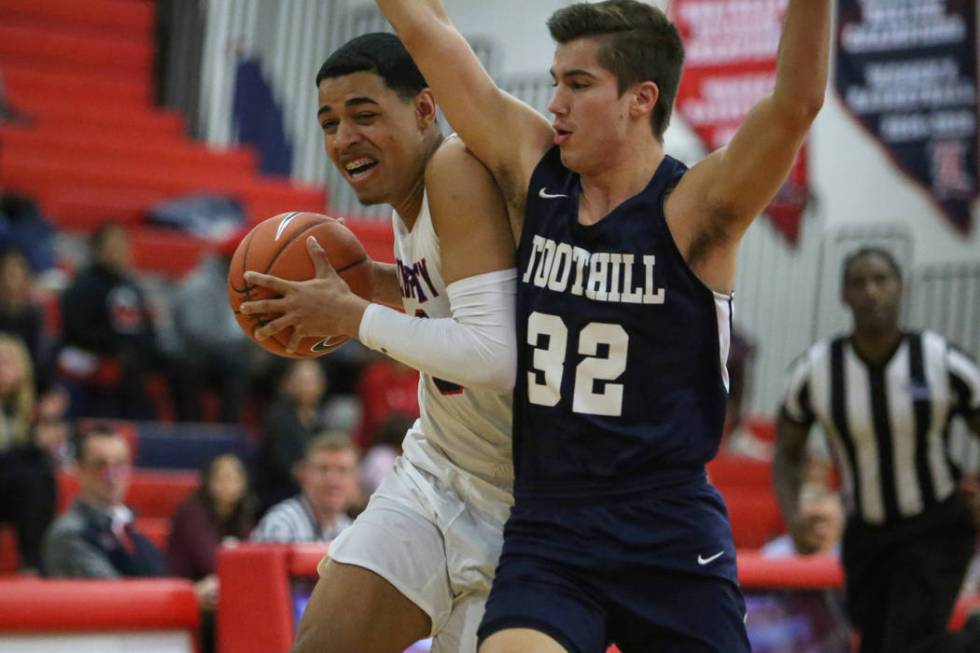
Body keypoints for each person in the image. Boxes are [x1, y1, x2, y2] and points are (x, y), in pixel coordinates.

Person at [374, 0, 828, 650]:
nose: (554, 101)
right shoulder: (537, 173)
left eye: (578, 84)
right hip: (551, 524)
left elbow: (795, 104)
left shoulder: (695, 208)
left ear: (641, 98)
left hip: (668, 528)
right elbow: (429, 30)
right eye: (556, 79)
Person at [239, 33, 517, 653]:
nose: (343, 139)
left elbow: (495, 356)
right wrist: (369, 281)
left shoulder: (452, 169)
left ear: (424, 109)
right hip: (438, 471)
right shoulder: (408, 191)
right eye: (330, 122)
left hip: (521, 505)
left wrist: (351, 314)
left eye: (365, 115)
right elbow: (446, 293)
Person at [773, 247, 980, 653]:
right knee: (876, 643)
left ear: (900, 289)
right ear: (844, 296)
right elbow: (787, 452)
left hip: (935, 524)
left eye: (881, 280)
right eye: (859, 282)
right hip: (865, 533)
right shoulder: (816, 371)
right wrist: (792, 513)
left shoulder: (940, 360)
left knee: (909, 641)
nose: (871, 291)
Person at [56, 224, 165, 419]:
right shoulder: (83, 286)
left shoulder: (132, 285)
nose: (120, 250)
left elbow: (146, 325)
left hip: (128, 353)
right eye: (113, 245)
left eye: (123, 245)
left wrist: (146, 346)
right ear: (97, 249)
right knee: (128, 367)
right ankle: (131, 424)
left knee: (175, 363)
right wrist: (115, 348)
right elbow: (78, 329)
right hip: (89, 352)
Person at [42, 424, 167, 578]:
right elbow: (114, 596)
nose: (111, 475)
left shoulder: (127, 529)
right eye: (100, 465)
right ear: (80, 470)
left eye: (120, 464)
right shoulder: (68, 533)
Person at [170, 231, 250, 423]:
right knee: (233, 363)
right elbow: (196, 332)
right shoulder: (199, 284)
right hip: (188, 352)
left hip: (219, 354)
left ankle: (231, 428)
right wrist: (239, 341)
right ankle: (193, 428)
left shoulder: (239, 282)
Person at [0, 334, 56, 573]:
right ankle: (32, 560)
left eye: (7, 362)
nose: (2, 369)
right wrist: (34, 445)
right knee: (31, 477)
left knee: (42, 475)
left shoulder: (19, 412)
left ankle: (36, 559)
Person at [251, 433, 358, 543]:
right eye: (323, 469)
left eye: (343, 470)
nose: (333, 480)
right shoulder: (281, 524)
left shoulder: (352, 530)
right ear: (305, 475)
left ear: (355, 479)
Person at [255, 359, 329, 512]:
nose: (309, 385)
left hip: (312, 491)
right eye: (304, 380)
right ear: (289, 384)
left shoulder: (321, 420)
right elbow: (291, 468)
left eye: (313, 380)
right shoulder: (278, 417)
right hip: (280, 495)